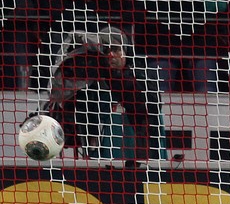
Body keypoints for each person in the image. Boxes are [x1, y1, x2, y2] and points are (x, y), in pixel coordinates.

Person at [46, 26, 165, 165]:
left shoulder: (141, 79)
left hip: (144, 166)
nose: (110, 55)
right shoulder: (88, 88)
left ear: (126, 52)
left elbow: (147, 107)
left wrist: (110, 73)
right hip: (101, 169)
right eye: (105, 50)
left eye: (115, 49)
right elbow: (71, 135)